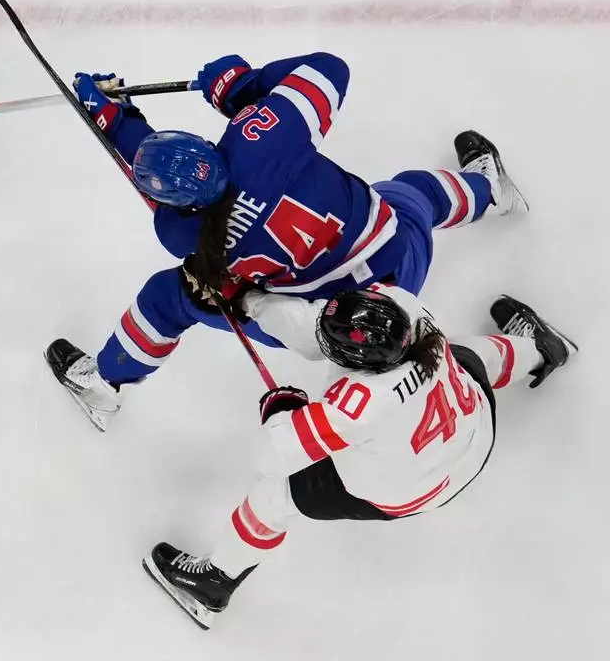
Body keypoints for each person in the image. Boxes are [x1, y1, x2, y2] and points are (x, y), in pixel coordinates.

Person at [47, 52, 527, 430]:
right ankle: (494, 191)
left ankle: (105, 383)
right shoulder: (260, 138)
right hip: (400, 259)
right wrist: (244, 88)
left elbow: (154, 177)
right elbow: (328, 71)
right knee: (417, 193)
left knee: (166, 299)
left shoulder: (184, 233)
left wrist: (115, 118)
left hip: (330, 329)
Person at [142, 286, 576, 628]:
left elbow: (271, 454)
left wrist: (281, 410)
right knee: (466, 354)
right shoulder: (408, 311)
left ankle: (215, 582)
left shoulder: (358, 404)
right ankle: (540, 349)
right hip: (475, 429)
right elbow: (319, 325)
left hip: (419, 489)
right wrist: (251, 301)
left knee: (274, 495)